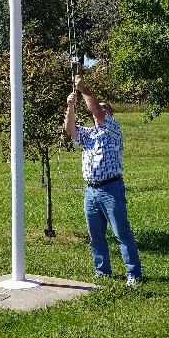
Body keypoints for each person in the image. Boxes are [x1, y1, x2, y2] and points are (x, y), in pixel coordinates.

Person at [65, 74, 142, 286]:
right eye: (99, 107)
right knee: (95, 236)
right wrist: (70, 106)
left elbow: (97, 112)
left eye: (104, 107)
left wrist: (84, 90)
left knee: (121, 233)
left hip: (111, 188)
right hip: (91, 191)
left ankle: (133, 274)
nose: (100, 110)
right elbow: (69, 130)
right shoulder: (89, 134)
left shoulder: (113, 130)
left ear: (110, 113)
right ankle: (102, 272)